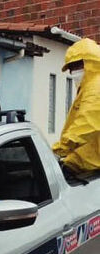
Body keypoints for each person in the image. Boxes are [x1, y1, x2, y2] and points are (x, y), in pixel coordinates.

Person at [53, 38, 100, 174]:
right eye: (71, 68)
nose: (73, 72)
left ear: (90, 63)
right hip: (88, 160)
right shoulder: (90, 86)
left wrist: (61, 149)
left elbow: (87, 123)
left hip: (91, 163)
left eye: (77, 65)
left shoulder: (95, 88)